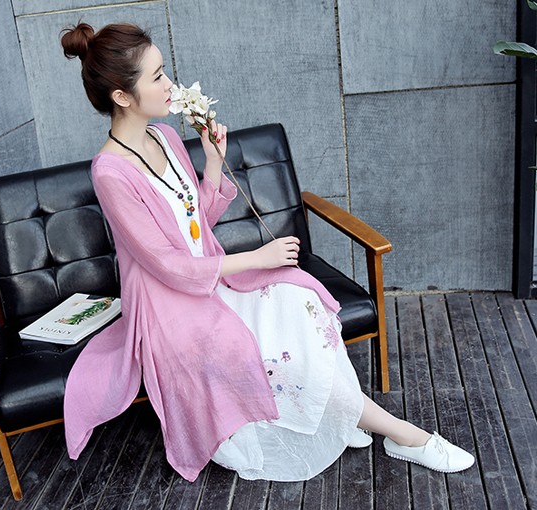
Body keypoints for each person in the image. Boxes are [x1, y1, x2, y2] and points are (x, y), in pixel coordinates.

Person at [60, 22, 475, 482]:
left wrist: (212, 162)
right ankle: (405, 435)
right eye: (157, 77)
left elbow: (195, 226)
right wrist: (259, 258)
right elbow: (169, 264)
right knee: (254, 342)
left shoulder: (165, 138)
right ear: (122, 96)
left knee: (297, 300)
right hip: (168, 306)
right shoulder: (111, 173)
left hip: (212, 280)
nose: (170, 85)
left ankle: (345, 416)